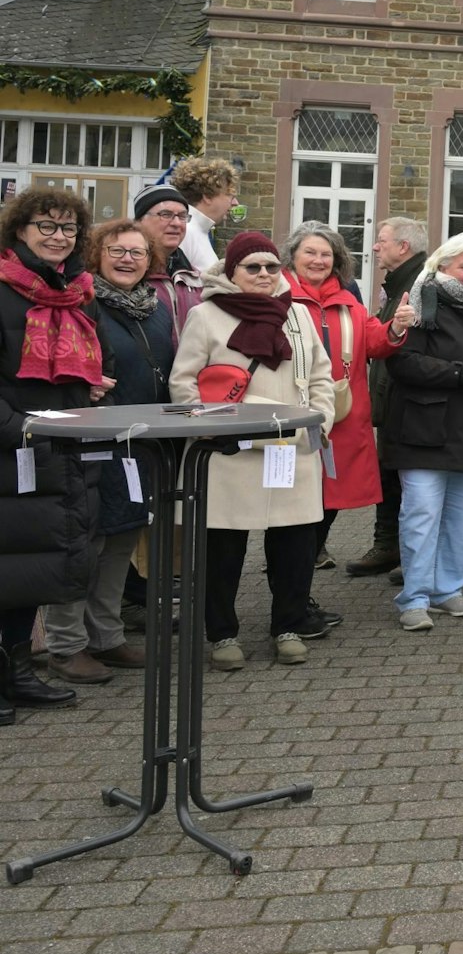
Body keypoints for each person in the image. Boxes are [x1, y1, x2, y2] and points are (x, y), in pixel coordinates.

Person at [168, 232, 336, 671]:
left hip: (291, 447)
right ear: (231, 271)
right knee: (222, 552)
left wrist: (319, 420)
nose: (264, 275)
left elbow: (321, 376)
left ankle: (288, 626)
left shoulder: (297, 314)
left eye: (271, 267)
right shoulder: (205, 315)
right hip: (230, 452)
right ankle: (222, 634)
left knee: (295, 547)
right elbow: (184, 382)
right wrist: (211, 429)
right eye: (252, 267)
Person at [39, 219, 168, 684]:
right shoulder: (79, 300)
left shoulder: (157, 309)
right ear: (97, 255)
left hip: (141, 445)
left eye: (137, 252)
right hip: (91, 440)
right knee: (83, 543)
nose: (127, 259)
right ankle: (65, 645)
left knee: (120, 541)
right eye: (117, 250)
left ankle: (106, 636)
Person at [379, 232, 463, 631]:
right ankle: (415, 597)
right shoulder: (422, 300)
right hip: (425, 430)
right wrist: (460, 374)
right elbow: (403, 362)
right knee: (421, 517)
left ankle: (448, 589)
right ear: (443, 267)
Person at [0, 187, 102, 720]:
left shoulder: (72, 291)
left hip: (52, 447)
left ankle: (17, 671)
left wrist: (86, 389)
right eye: (46, 226)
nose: (59, 237)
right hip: (10, 444)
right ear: (19, 230)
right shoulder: (3, 288)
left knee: (28, 566)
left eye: (67, 229)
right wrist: (16, 426)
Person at [284, 221, 416, 577]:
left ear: (337, 260)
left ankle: (303, 573)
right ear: (292, 257)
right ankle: (292, 576)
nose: (318, 260)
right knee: (294, 502)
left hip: (340, 420)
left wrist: (396, 327)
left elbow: (373, 340)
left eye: (326, 254)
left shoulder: (348, 303)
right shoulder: (278, 299)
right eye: (309, 252)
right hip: (293, 418)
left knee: (330, 501)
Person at [349, 216, 432, 578]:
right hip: (393, 394)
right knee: (389, 473)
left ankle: (403, 552)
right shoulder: (399, 281)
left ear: (403, 247)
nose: (375, 247)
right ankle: (389, 546)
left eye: (381, 240)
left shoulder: (421, 284)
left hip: (409, 397)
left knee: (404, 479)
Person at [133, 183, 204, 333]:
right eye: (166, 215)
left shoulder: (196, 278)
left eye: (182, 216)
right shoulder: (126, 273)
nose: (177, 223)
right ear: (140, 221)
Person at [169, 157, 241, 275]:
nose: (235, 203)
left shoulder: (197, 230)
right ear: (207, 196)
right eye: (229, 195)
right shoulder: (185, 231)